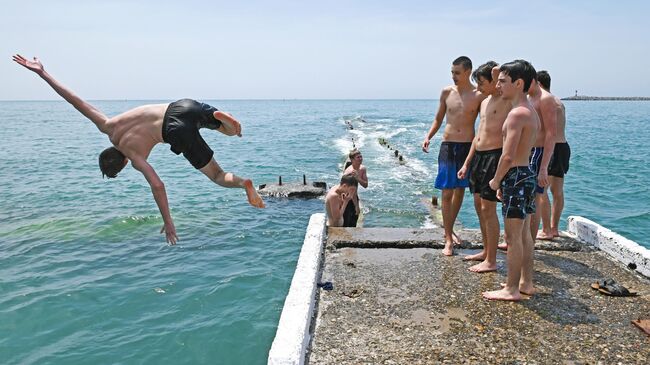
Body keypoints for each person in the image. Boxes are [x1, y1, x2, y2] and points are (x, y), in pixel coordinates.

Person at [13, 54, 265, 245]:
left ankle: (245, 184)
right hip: (181, 106)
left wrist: (168, 222)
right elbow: (74, 100)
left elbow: (158, 186)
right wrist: (42, 73)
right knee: (229, 130)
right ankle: (224, 120)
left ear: (120, 164)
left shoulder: (133, 155)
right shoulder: (106, 125)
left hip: (174, 130)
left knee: (217, 176)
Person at [483, 60, 540, 301]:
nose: (498, 86)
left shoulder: (517, 114)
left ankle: (511, 288)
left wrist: (496, 181)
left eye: (503, 82)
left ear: (518, 84)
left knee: (512, 237)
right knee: (524, 232)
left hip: (515, 176)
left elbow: (507, 155)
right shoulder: (530, 111)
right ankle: (526, 282)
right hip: (526, 174)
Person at [422, 56, 486, 256]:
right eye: (452, 72)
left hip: (468, 146)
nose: (454, 76)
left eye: (457, 72)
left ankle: (449, 230)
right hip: (448, 146)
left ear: (468, 72)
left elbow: (487, 121)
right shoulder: (446, 92)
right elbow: (438, 118)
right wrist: (428, 136)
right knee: (447, 192)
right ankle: (448, 238)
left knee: (459, 191)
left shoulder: (479, 95)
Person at [457, 61, 511, 272]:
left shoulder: (505, 99)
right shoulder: (484, 102)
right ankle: (486, 251)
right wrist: (467, 162)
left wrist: (493, 69)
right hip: (478, 156)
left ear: (494, 81)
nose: (477, 88)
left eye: (481, 82)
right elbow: (478, 135)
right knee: (480, 207)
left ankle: (491, 260)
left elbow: (499, 70)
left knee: (489, 209)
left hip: (494, 157)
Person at [536, 71, 570, 238]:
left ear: (539, 84)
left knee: (541, 190)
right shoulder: (558, 101)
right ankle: (554, 229)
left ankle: (546, 230)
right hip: (562, 146)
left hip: (551, 148)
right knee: (558, 191)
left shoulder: (545, 102)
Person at [527, 71, 559, 242]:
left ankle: (531, 240)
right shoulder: (529, 97)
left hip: (539, 152)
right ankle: (523, 237)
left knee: (536, 195)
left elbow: (551, 133)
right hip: (529, 152)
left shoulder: (545, 99)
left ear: (534, 81)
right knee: (528, 195)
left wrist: (544, 167)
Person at [342, 149, 368, 227]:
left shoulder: (362, 169)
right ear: (352, 160)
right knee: (348, 221)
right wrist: (356, 206)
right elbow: (351, 192)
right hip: (346, 197)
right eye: (358, 157)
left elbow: (365, 185)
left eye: (361, 156)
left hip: (353, 194)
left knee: (354, 219)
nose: (360, 158)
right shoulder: (349, 172)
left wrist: (358, 178)